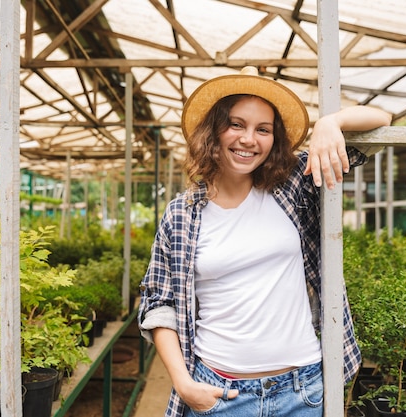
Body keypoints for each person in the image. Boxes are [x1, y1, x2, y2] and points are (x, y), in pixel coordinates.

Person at [137, 66, 392, 417]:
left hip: (300, 392)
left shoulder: (294, 184)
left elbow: (383, 118)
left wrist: (329, 124)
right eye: (236, 124)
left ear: (275, 139)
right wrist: (183, 383)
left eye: (263, 129)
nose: (248, 139)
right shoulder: (182, 214)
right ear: (214, 131)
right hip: (220, 395)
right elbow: (157, 304)